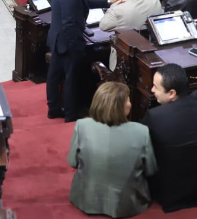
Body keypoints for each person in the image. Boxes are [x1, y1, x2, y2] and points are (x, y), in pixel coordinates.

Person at [67, 82, 157, 217]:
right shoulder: (141, 132)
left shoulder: (81, 126)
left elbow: (72, 162)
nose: (130, 104)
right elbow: (151, 169)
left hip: (86, 198)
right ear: (119, 107)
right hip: (127, 203)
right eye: (128, 99)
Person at [142, 64, 197, 212]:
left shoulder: (155, 116)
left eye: (155, 87)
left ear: (172, 93)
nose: (152, 90)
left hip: (171, 193)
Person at [46, 0, 112, 121]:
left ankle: (53, 109)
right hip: (67, 43)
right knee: (70, 78)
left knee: (53, 76)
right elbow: (69, 23)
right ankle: (70, 114)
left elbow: (83, 3)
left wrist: (108, 1)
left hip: (57, 39)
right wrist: (76, 46)